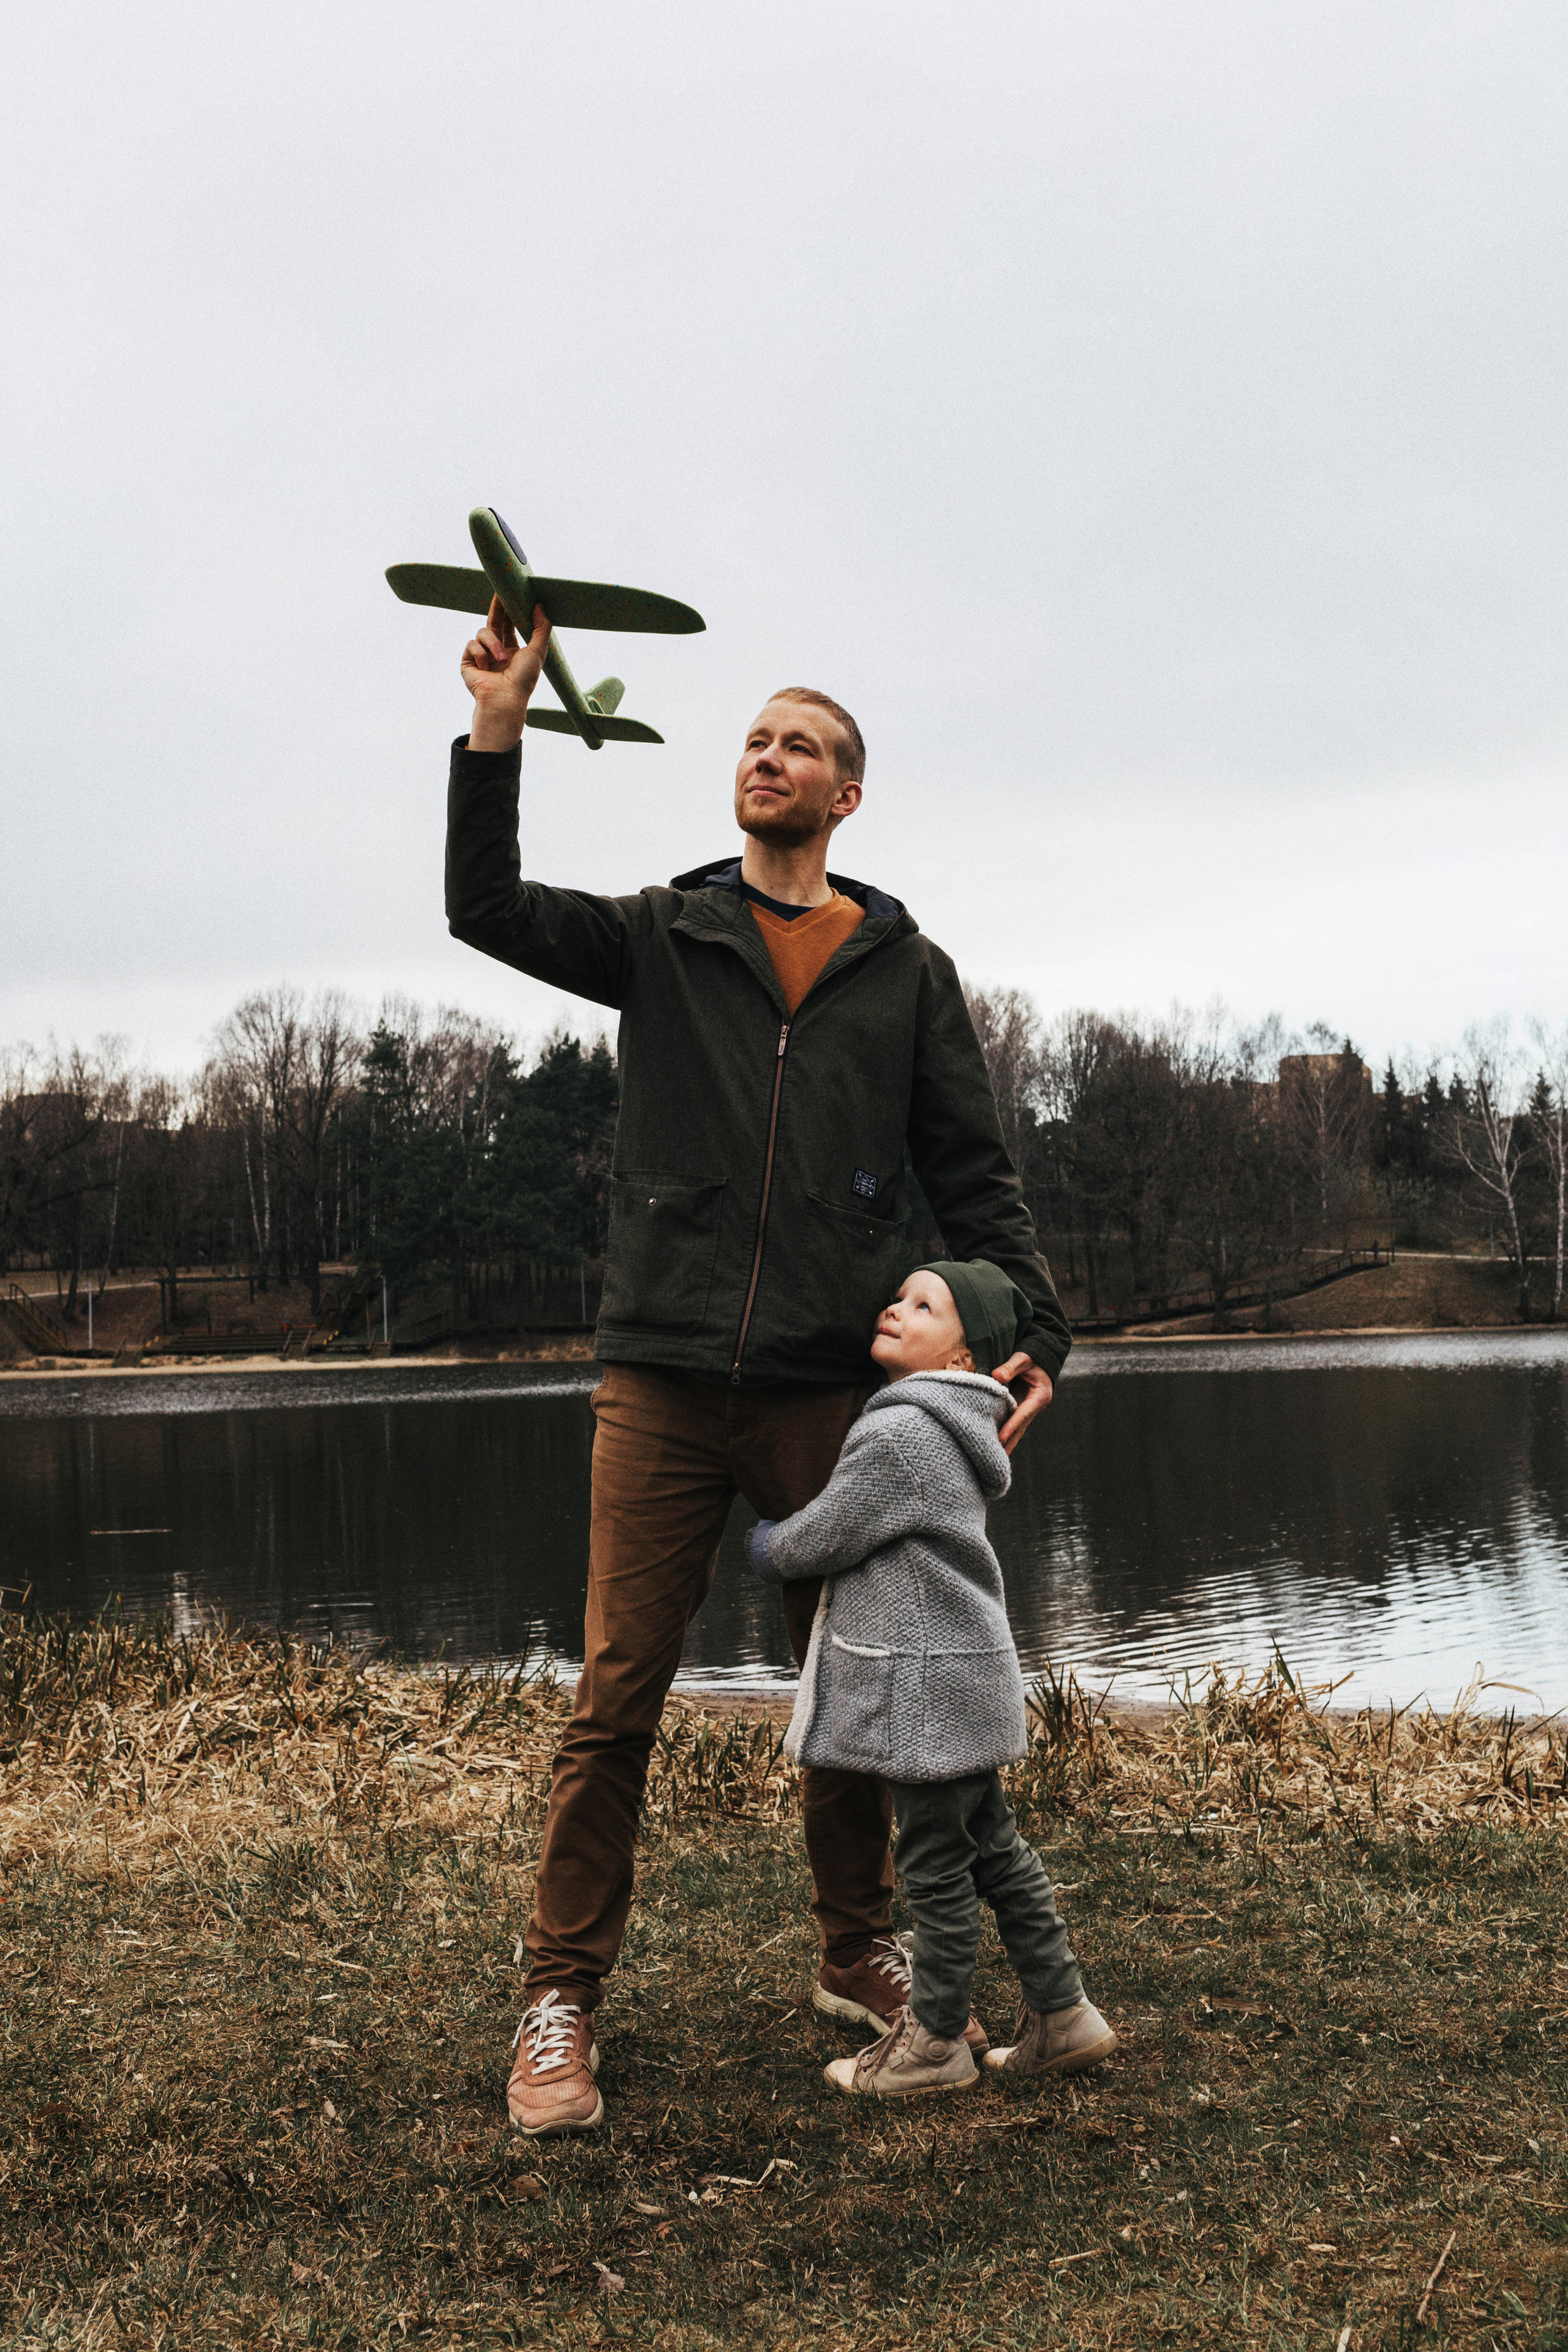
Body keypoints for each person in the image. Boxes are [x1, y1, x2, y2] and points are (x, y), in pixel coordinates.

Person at [446, 594, 1072, 2135]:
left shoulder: (906, 975)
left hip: (824, 1392)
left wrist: (1033, 1330)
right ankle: (558, 1999)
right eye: (752, 741)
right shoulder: (666, 934)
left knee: (853, 1687)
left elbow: (975, 1179)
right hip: (657, 1377)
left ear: (845, 793)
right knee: (615, 1696)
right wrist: (496, 723)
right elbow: (486, 909)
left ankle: (856, 1947)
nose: (766, 758)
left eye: (799, 745)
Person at [747, 1261, 1117, 2098]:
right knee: (994, 1848)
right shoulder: (957, 1428)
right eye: (901, 1295)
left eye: (924, 1306)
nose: (895, 1306)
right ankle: (1064, 2014)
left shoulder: (901, 1436)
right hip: (966, 1677)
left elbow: (828, 1534)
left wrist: (767, 1544)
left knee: (936, 1869)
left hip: (923, 1695)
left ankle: (935, 2044)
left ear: (960, 1362)